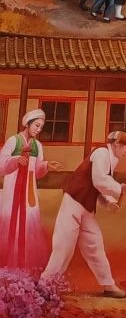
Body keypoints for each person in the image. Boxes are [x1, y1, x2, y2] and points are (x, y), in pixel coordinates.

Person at [41, 132, 126, 297]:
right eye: (125, 147)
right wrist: (119, 188)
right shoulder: (102, 153)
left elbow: (97, 188)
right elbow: (99, 180)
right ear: (116, 144)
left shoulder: (110, 159)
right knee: (64, 245)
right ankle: (45, 284)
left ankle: (108, 285)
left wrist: (109, 202)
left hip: (86, 207)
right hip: (74, 202)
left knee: (95, 244)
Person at [0, 109, 60, 271]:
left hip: (29, 191)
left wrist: (47, 165)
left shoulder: (37, 146)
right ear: (28, 124)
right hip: (12, 189)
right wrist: (16, 161)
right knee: (11, 221)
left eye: (41, 127)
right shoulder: (13, 141)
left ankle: (24, 264)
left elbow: (38, 170)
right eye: (36, 125)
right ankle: (8, 263)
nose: (38, 129)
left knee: (28, 222)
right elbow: (2, 165)